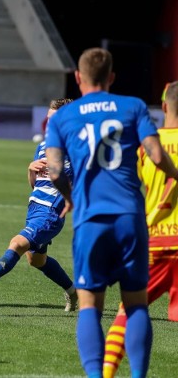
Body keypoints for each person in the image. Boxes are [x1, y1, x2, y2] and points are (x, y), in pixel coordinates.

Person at [45, 48, 178, 378]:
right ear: (112, 78)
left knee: (90, 305)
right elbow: (157, 154)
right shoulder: (132, 106)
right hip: (130, 218)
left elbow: (54, 169)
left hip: (91, 219)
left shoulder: (63, 117)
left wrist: (70, 196)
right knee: (136, 304)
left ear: (78, 77)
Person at [0, 98, 77, 311]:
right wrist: (30, 169)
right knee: (36, 261)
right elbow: (34, 185)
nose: (49, 123)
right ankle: (73, 291)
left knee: (16, 244)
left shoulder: (75, 148)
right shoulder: (43, 146)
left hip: (51, 213)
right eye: (48, 118)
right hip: (34, 209)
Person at [102, 81, 178, 378]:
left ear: (166, 107)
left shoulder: (147, 146)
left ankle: (106, 374)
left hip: (154, 242)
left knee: (128, 311)